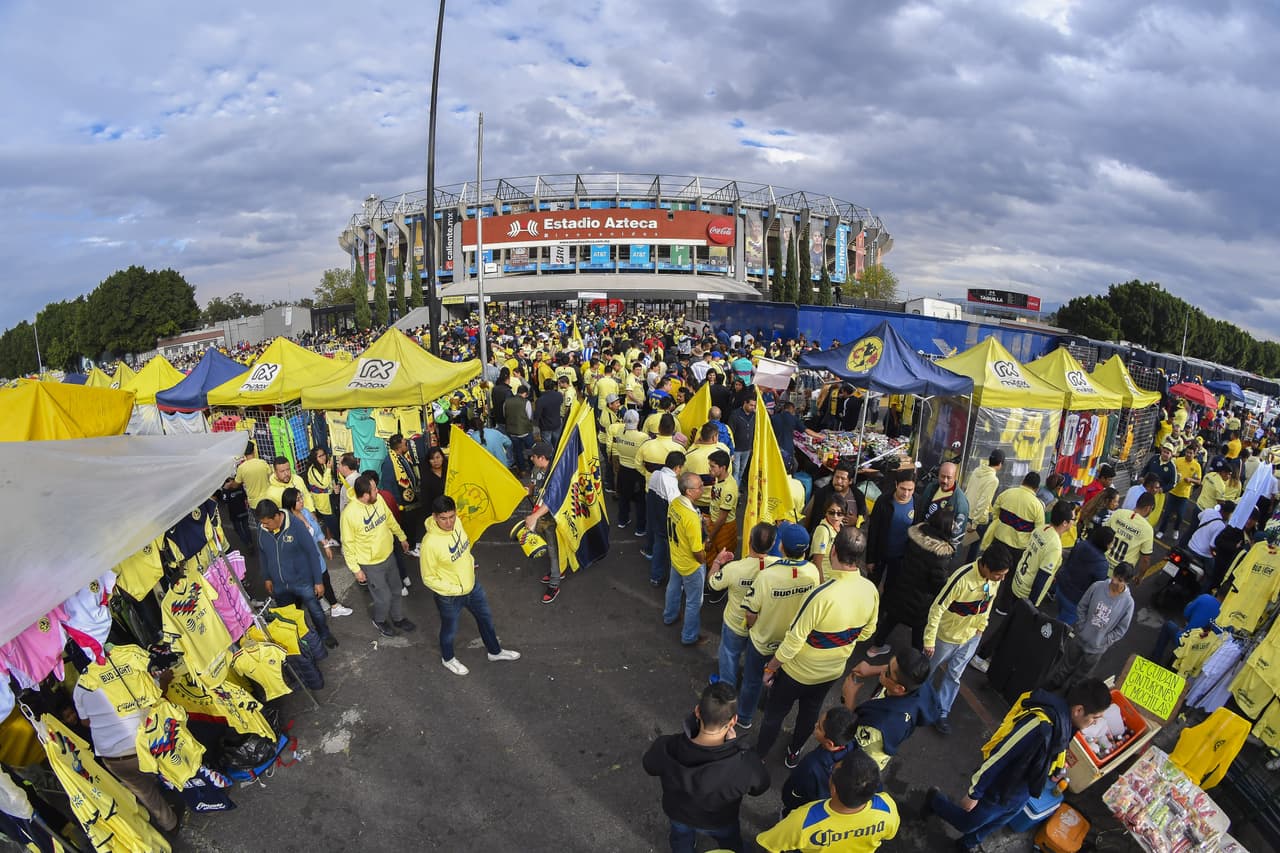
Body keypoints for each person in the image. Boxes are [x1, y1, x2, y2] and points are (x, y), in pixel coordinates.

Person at [924, 679, 1111, 853]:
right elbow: (1001, 755)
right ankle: (935, 800)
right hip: (999, 790)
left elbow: (1056, 750)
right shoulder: (1039, 724)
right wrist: (975, 792)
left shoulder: (1067, 725)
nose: (1095, 722)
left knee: (995, 823)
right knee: (967, 823)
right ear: (1078, 710)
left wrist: (1056, 769)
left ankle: (967, 844)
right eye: (1095, 717)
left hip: (1021, 792)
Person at [756, 527, 880, 766]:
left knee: (775, 713)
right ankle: (794, 753)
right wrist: (842, 641)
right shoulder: (870, 591)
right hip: (831, 672)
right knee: (810, 713)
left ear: (833, 551)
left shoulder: (821, 595)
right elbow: (867, 632)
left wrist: (770, 669)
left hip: (796, 673)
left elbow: (793, 642)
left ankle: (760, 754)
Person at [642, 682, 770, 853]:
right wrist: (736, 746)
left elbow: (649, 766)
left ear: (697, 711)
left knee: (680, 840)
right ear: (733, 721)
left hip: (679, 815)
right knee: (730, 841)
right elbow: (760, 787)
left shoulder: (666, 746)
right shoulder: (745, 762)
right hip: (720, 820)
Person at [419, 495, 521, 675]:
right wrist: (455, 590)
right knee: (450, 630)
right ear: (435, 517)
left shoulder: (457, 524)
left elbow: (464, 548)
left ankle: (495, 652)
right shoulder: (430, 544)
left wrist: (470, 562)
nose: (449, 522)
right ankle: (448, 659)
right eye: (443, 518)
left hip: (473, 586)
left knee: (486, 620)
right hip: (450, 597)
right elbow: (428, 578)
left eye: (452, 516)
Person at [737, 523, 822, 730]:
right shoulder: (812, 572)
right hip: (790, 644)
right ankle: (767, 708)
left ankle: (745, 718)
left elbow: (751, 612)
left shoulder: (767, 575)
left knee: (751, 682)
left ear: (781, 546)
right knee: (778, 681)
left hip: (762, 641)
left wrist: (752, 628)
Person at [922, 542, 1013, 735]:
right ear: (986, 566)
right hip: (946, 638)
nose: (1002, 578)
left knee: (954, 675)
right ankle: (917, 701)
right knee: (927, 671)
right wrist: (929, 640)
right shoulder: (961, 579)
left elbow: (988, 604)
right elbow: (937, 608)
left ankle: (942, 712)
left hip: (971, 638)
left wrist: (981, 627)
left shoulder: (994, 581)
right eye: (999, 574)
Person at [757, 749, 899, 853]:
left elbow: (771, 845)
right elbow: (889, 834)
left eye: (833, 770)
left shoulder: (804, 820)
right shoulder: (887, 808)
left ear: (833, 789)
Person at [866, 509, 956, 657]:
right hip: (920, 600)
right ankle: (915, 661)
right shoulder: (941, 554)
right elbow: (938, 583)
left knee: (890, 620)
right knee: (919, 630)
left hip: (900, 588)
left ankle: (875, 648)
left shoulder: (915, 535)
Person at [255, 499, 338, 649]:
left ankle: (324, 634)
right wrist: (267, 577)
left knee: (315, 610)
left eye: (267, 523)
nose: (264, 526)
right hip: (280, 585)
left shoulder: (296, 526)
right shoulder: (263, 529)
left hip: (302, 581)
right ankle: (300, 641)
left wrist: (318, 581)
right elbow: (262, 554)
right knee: (288, 616)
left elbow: (312, 553)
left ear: (276, 516)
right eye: (262, 523)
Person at [840, 647, 937, 770]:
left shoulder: (880, 723)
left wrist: (848, 699)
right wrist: (871, 669)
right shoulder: (917, 682)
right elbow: (896, 671)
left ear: (899, 688)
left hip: (863, 759)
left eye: (887, 673)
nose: (883, 671)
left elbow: (849, 734)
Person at [341, 473, 413, 638]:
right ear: (365, 495)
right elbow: (348, 544)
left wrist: (401, 536)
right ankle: (379, 620)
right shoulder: (349, 515)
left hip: (388, 556)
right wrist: (356, 570)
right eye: (374, 490)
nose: (377, 492)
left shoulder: (378, 500)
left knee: (396, 590)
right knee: (383, 597)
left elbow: (389, 519)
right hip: (370, 564)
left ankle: (398, 618)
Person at [708, 523, 778, 688]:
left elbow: (712, 584)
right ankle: (750, 683)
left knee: (729, 655)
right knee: (754, 660)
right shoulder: (778, 565)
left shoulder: (734, 569)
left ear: (749, 540)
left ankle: (727, 688)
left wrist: (718, 561)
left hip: (735, 624)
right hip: (761, 627)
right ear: (773, 544)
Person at [1044, 563, 1135, 687]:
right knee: (1066, 665)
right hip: (1080, 638)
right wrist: (1082, 627)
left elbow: (1121, 629)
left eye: (1119, 580)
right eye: (1114, 576)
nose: (1114, 581)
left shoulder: (1128, 603)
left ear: (1127, 582)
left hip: (1097, 648)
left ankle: (1071, 692)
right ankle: (1055, 683)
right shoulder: (1097, 586)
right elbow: (1082, 606)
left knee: (1082, 675)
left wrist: (1104, 641)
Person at [665, 472, 727, 646]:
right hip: (690, 564)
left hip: (676, 556)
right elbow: (697, 551)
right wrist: (703, 560)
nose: (703, 488)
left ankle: (670, 615)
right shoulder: (690, 517)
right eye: (699, 486)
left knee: (673, 587)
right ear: (689, 492)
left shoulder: (675, 503)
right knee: (694, 601)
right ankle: (689, 636)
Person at [281, 487, 352, 620]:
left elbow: (317, 530)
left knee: (324, 578)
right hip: (303, 562)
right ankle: (316, 608)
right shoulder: (288, 523)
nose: (302, 501)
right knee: (311, 586)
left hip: (316, 557)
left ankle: (333, 606)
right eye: (298, 500)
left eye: (301, 497)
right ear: (290, 503)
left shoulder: (305, 512)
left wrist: (325, 545)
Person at [778, 705, 859, 816]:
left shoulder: (811, 764)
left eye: (819, 728)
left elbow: (791, 786)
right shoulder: (853, 747)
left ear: (830, 744)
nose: (816, 725)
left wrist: (787, 801)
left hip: (802, 807)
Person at [523, 441, 564, 603]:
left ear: (542, 458)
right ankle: (558, 570)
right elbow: (532, 486)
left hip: (551, 519)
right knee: (548, 545)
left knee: (553, 549)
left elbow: (552, 501)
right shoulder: (536, 468)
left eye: (533, 456)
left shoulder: (556, 474)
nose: (531, 459)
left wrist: (534, 517)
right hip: (539, 516)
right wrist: (527, 492)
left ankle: (555, 584)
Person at [1054, 526, 1116, 626]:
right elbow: (1097, 588)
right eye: (1111, 543)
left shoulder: (1082, 544)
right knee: (1059, 628)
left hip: (1061, 587)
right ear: (1105, 543)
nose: (1112, 546)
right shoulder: (1102, 563)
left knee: (1059, 616)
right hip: (1074, 600)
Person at [979, 473, 1045, 568]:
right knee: (1008, 576)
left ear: (1023, 481)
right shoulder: (1037, 506)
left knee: (992, 569)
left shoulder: (1007, 493)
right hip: (1018, 549)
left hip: (999, 540)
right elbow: (1038, 531)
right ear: (1036, 488)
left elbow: (995, 512)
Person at [865, 469, 916, 587]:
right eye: (903, 489)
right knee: (871, 585)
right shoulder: (883, 501)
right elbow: (873, 531)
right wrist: (870, 559)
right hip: (880, 554)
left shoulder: (917, 502)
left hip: (900, 558)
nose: (906, 493)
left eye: (910, 490)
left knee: (892, 589)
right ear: (896, 484)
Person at [647, 450, 686, 583]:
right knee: (674, 553)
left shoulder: (655, 474)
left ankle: (655, 577)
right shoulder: (672, 484)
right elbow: (676, 507)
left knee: (658, 548)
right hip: (668, 524)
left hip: (655, 519)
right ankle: (675, 581)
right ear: (677, 467)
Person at [915, 462, 969, 550]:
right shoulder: (931, 487)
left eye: (949, 477)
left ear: (955, 478)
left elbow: (957, 537)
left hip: (937, 548)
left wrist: (947, 554)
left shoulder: (960, 503)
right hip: (921, 538)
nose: (945, 480)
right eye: (942, 476)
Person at [612, 409, 649, 533]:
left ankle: (622, 520)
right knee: (640, 502)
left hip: (623, 470)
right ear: (638, 421)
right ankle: (640, 528)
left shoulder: (619, 433)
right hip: (637, 472)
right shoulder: (643, 437)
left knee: (624, 498)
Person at [1104, 492, 1156, 579]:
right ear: (1148, 508)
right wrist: (1140, 576)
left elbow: (1103, 533)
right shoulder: (1148, 530)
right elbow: (1145, 560)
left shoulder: (1118, 513)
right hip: (1120, 575)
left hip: (1102, 563)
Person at [804, 464, 866, 535]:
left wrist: (856, 521)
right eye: (837, 477)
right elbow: (807, 516)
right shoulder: (821, 494)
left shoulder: (858, 497)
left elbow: (864, 520)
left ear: (850, 481)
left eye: (843, 479)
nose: (839, 481)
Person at [965, 450, 1004, 563]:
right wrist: (975, 523)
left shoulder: (977, 470)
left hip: (967, 511)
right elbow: (984, 502)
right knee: (974, 549)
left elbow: (968, 490)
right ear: (1000, 464)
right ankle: (967, 571)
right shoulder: (993, 480)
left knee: (959, 542)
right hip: (978, 519)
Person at [304, 447, 340, 546]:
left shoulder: (324, 465)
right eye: (320, 456)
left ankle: (331, 538)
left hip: (330, 497)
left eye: (324, 454)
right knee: (332, 522)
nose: (323, 457)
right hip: (323, 501)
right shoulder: (312, 471)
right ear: (314, 458)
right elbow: (324, 484)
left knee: (334, 520)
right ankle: (339, 542)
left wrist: (334, 487)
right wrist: (328, 469)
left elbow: (330, 480)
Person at [808, 496, 844, 579]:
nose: (835, 517)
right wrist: (821, 583)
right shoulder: (823, 530)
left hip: (835, 578)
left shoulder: (841, 527)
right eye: (831, 512)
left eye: (839, 513)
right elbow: (817, 562)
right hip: (824, 578)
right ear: (825, 512)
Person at [503, 384, 535, 475]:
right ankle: (532, 468)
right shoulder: (526, 402)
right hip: (525, 431)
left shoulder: (507, 402)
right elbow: (529, 416)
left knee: (518, 451)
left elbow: (505, 415)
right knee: (530, 450)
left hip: (512, 432)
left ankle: (522, 470)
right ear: (525, 393)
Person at [233, 440, 274, 511]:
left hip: (254, 503)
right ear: (254, 450)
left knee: (260, 521)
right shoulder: (263, 463)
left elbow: (235, 485)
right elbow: (271, 477)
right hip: (268, 498)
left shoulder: (241, 468)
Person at [533, 377, 564, 450]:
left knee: (547, 447)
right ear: (553, 386)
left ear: (544, 387)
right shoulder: (559, 395)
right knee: (557, 444)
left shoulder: (540, 400)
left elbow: (537, 415)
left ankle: (550, 459)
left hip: (545, 426)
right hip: (557, 423)